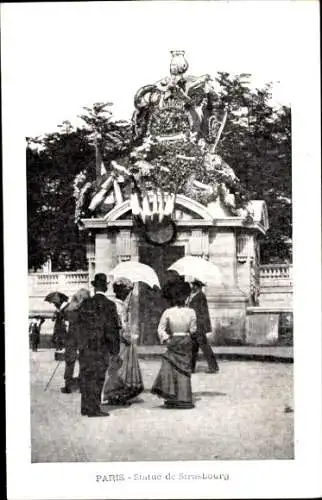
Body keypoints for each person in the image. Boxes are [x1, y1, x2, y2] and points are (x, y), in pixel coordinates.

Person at [78, 273, 120, 417]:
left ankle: (85, 406)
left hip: (85, 346)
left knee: (85, 375)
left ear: (94, 287)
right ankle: (94, 408)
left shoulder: (85, 303)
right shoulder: (109, 305)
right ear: (106, 287)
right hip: (101, 346)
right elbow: (112, 329)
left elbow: (79, 325)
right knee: (97, 376)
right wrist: (115, 349)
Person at [151, 280, 196, 409]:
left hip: (174, 340)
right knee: (184, 370)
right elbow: (193, 329)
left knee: (172, 368)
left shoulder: (168, 312)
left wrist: (167, 339)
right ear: (186, 297)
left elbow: (160, 329)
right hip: (186, 341)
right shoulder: (191, 312)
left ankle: (173, 396)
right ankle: (184, 398)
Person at [101, 278, 144, 406]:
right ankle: (114, 393)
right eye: (125, 291)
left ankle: (118, 393)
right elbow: (122, 325)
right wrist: (129, 337)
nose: (127, 294)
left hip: (120, 339)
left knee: (120, 366)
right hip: (120, 339)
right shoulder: (118, 306)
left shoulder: (120, 305)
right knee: (119, 366)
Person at [60, 288, 91, 394]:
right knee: (84, 362)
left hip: (71, 338)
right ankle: (82, 385)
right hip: (83, 337)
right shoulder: (86, 310)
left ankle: (68, 385)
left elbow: (65, 321)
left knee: (69, 362)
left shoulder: (69, 308)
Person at [186, 279, 219, 374]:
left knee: (204, 346)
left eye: (193, 285)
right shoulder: (191, 296)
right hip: (193, 324)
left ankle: (213, 367)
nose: (192, 287)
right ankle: (191, 368)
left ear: (198, 286)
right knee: (193, 347)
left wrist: (203, 326)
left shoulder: (201, 296)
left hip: (199, 325)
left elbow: (203, 312)